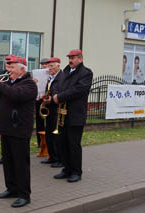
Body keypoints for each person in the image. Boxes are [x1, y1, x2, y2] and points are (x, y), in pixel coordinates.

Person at [0, 55, 37, 208]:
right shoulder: (8, 82)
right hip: (7, 128)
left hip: (20, 129)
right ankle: (12, 189)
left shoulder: (29, 84)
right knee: (8, 162)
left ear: (22, 68)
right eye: (7, 67)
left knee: (20, 163)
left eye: (11, 68)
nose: (8, 70)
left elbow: (16, 95)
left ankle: (24, 195)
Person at [53, 49, 93, 183]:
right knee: (63, 143)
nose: (70, 60)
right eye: (69, 57)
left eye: (73, 58)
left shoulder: (86, 73)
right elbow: (57, 85)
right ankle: (67, 169)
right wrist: (55, 94)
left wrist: (60, 96)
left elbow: (78, 90)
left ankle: (76, 172)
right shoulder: (65, 71)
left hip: (76, 114)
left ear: (80, 59)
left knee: (73, 144)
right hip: (63, 114)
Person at [40, 57, 64, 168]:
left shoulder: (63, 77)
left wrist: (52, 99)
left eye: (52, 66)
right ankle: (52, 156)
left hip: (57, 109)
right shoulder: (50, 77)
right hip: (50, 109)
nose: (49, 68)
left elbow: (61, 92)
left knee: (56, 136)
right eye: (48, 66)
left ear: (58, 65)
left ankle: (59, 158)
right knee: (49, 134)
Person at [0, 54, 14, 165]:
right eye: (6, 61)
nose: (7, 63)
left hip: (12, 109)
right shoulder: (2, 73)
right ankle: (4, 156)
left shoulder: (15, 75)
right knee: (3, 135)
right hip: (2, 106)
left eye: (9, 61)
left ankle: (10, 157)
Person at [34, 58, 48, 148]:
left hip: (48, 101)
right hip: (39, 100)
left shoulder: (50, 74)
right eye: (42, 64)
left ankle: (48, 141)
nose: (44, 66)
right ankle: (40, 142)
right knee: (39, 122)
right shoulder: (38, 74)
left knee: (49, 122)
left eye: (45, 64)